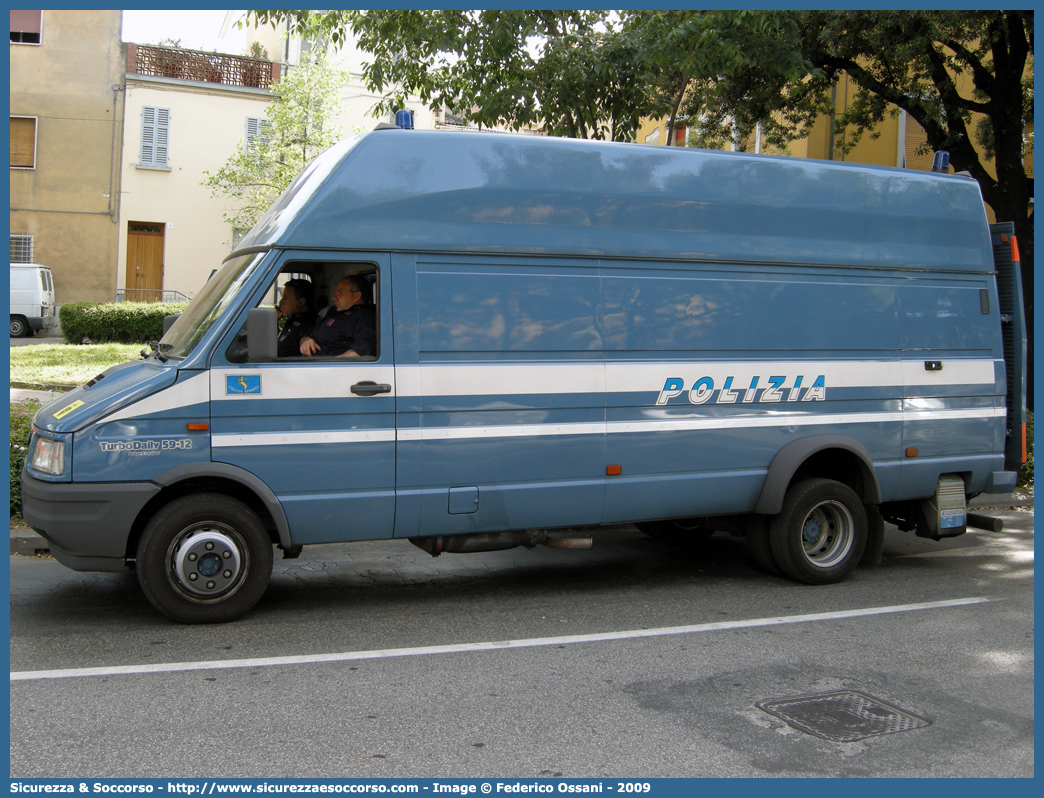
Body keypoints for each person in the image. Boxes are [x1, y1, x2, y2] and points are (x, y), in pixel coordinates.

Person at [299, 275, 377, 357]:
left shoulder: (364, 317)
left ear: (356, 296)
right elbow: (310, 332)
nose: (334, 298)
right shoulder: (333, 313)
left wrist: (331, 365)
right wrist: (305, 339)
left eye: (340, 292)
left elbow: (361, 350)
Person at [276, 279, 319, 357]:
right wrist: (274, 321)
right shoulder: (293, 320)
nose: (281, 302)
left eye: (286, 298)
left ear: (301, 302)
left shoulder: (310, 323)